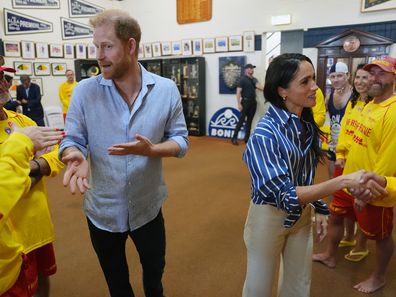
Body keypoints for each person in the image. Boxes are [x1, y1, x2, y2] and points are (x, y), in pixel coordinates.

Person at [59, 9, 189, 297]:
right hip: (102, 210)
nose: (99, 55)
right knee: (117, 283)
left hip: (148, 207)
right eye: (96, 46)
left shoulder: (166, 90)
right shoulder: (84, 92)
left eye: (107, 46)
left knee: (155, 276)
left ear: (131, 46)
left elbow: (181, 139)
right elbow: (72, 139)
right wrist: (74, 153)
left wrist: (154, 149)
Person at [241, 53, 387, 297]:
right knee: (259, 289)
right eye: (305, 81)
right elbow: (285, 195)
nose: (315, 87)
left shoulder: (306, 125)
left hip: (301, 217)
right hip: (268, 219)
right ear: (282, 91)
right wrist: (341, 181)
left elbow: (303, 179)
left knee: (299, 286)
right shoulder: (264, 134)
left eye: (314, 79)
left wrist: (318, 207)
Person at [312, 56, 396, 294]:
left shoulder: (393, 112)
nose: (374, 78)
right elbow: (355, 137)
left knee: (380, 236)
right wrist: (343, 161)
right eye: (372, 73)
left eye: (382, 73)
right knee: (336, 216)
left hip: (372, 191)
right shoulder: (369, 104)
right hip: (349, 178)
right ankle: (330, 255)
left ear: (394, 77)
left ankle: (378, 277)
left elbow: (389, 162)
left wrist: (367, 192)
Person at [0, 71, 65, 297]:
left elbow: (57, 151)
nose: (2, 84)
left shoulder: (22, 121)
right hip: (9, 237)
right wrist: (27, 170)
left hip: (36, 225)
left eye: (3, 78)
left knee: (43, 280)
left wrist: (34, 166)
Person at [334, 64, 372, 261]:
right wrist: (340, 153)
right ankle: (349, 237)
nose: (360, 82)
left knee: (363, 209)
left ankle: (362, 244)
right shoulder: (353, 101)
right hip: (346, 163)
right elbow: (344, 129)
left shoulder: (378, 106)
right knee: (347, 205)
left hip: (364, 165)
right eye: (357, 77)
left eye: (365, 78)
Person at [325, 61, 352, 177]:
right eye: (333, 76)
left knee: (351, 183)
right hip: (333, 145)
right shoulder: (329, 97)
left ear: (348, 75)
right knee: (332, 180)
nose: (336, 80)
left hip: (349, 146)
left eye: (340, 76)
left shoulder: (356, 95)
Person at [231, 63, 264, 145]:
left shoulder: (254, 79)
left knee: (249, 121)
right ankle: (234, 138)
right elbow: (238, 92)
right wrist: (239, 104)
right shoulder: (242, 79)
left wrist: (269, 87)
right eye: (250, 68)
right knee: (241, 121)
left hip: (253, 102)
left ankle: (246, 139)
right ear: (246, 70)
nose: (252, 70)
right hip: (245, 102)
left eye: (252, 68)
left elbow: (259, 87)